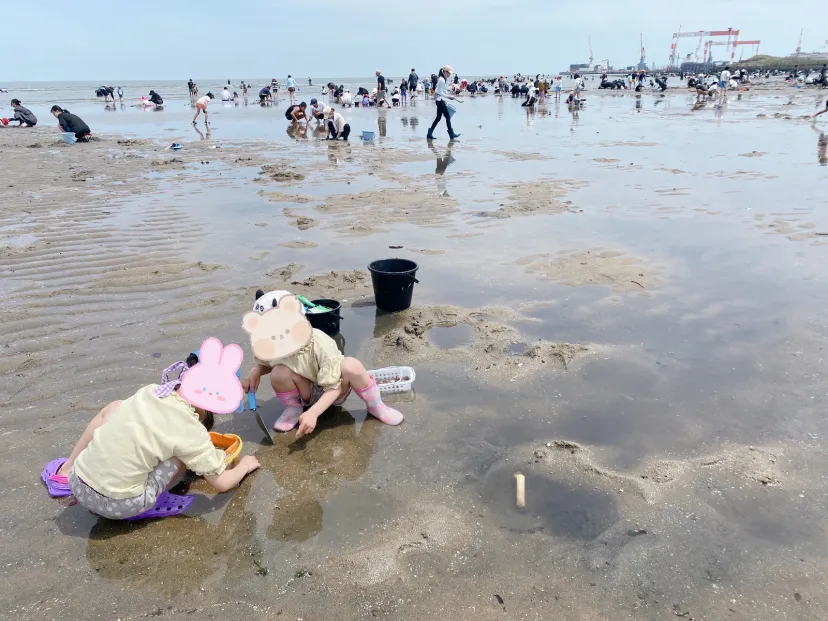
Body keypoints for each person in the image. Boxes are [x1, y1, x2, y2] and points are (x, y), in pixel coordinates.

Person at [40, 350, 261, 518]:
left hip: (77, 481)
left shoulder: (151, 391)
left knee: (117, 407)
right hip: (117, 505)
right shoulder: (191, 431)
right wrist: (245, 466)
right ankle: (150, 502)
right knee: (180, 457)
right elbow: (222, 483)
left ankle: (65, 469)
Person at [241, 292, 402, 435]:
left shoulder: (319, 342)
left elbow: (334, 386)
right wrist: (255, 372)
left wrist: (314, 412)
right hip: (306, 392)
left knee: (351, 365)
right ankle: (293, 409)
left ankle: (376, 406)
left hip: (334, 390)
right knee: (279, 372)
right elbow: (267, 363)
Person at [427, 65, 461, 141]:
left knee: (438, 118)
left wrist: (445, 97)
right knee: (448, 116)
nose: (449, 75)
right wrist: (448, 97)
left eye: (450, 73)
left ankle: (429, 133)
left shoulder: (441, 79)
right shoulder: (442, 80)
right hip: (439, 101)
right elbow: (439, 92)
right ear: (444, 72)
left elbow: (437, 91)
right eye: (448, 73)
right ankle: (451, 134)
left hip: (439, 100)